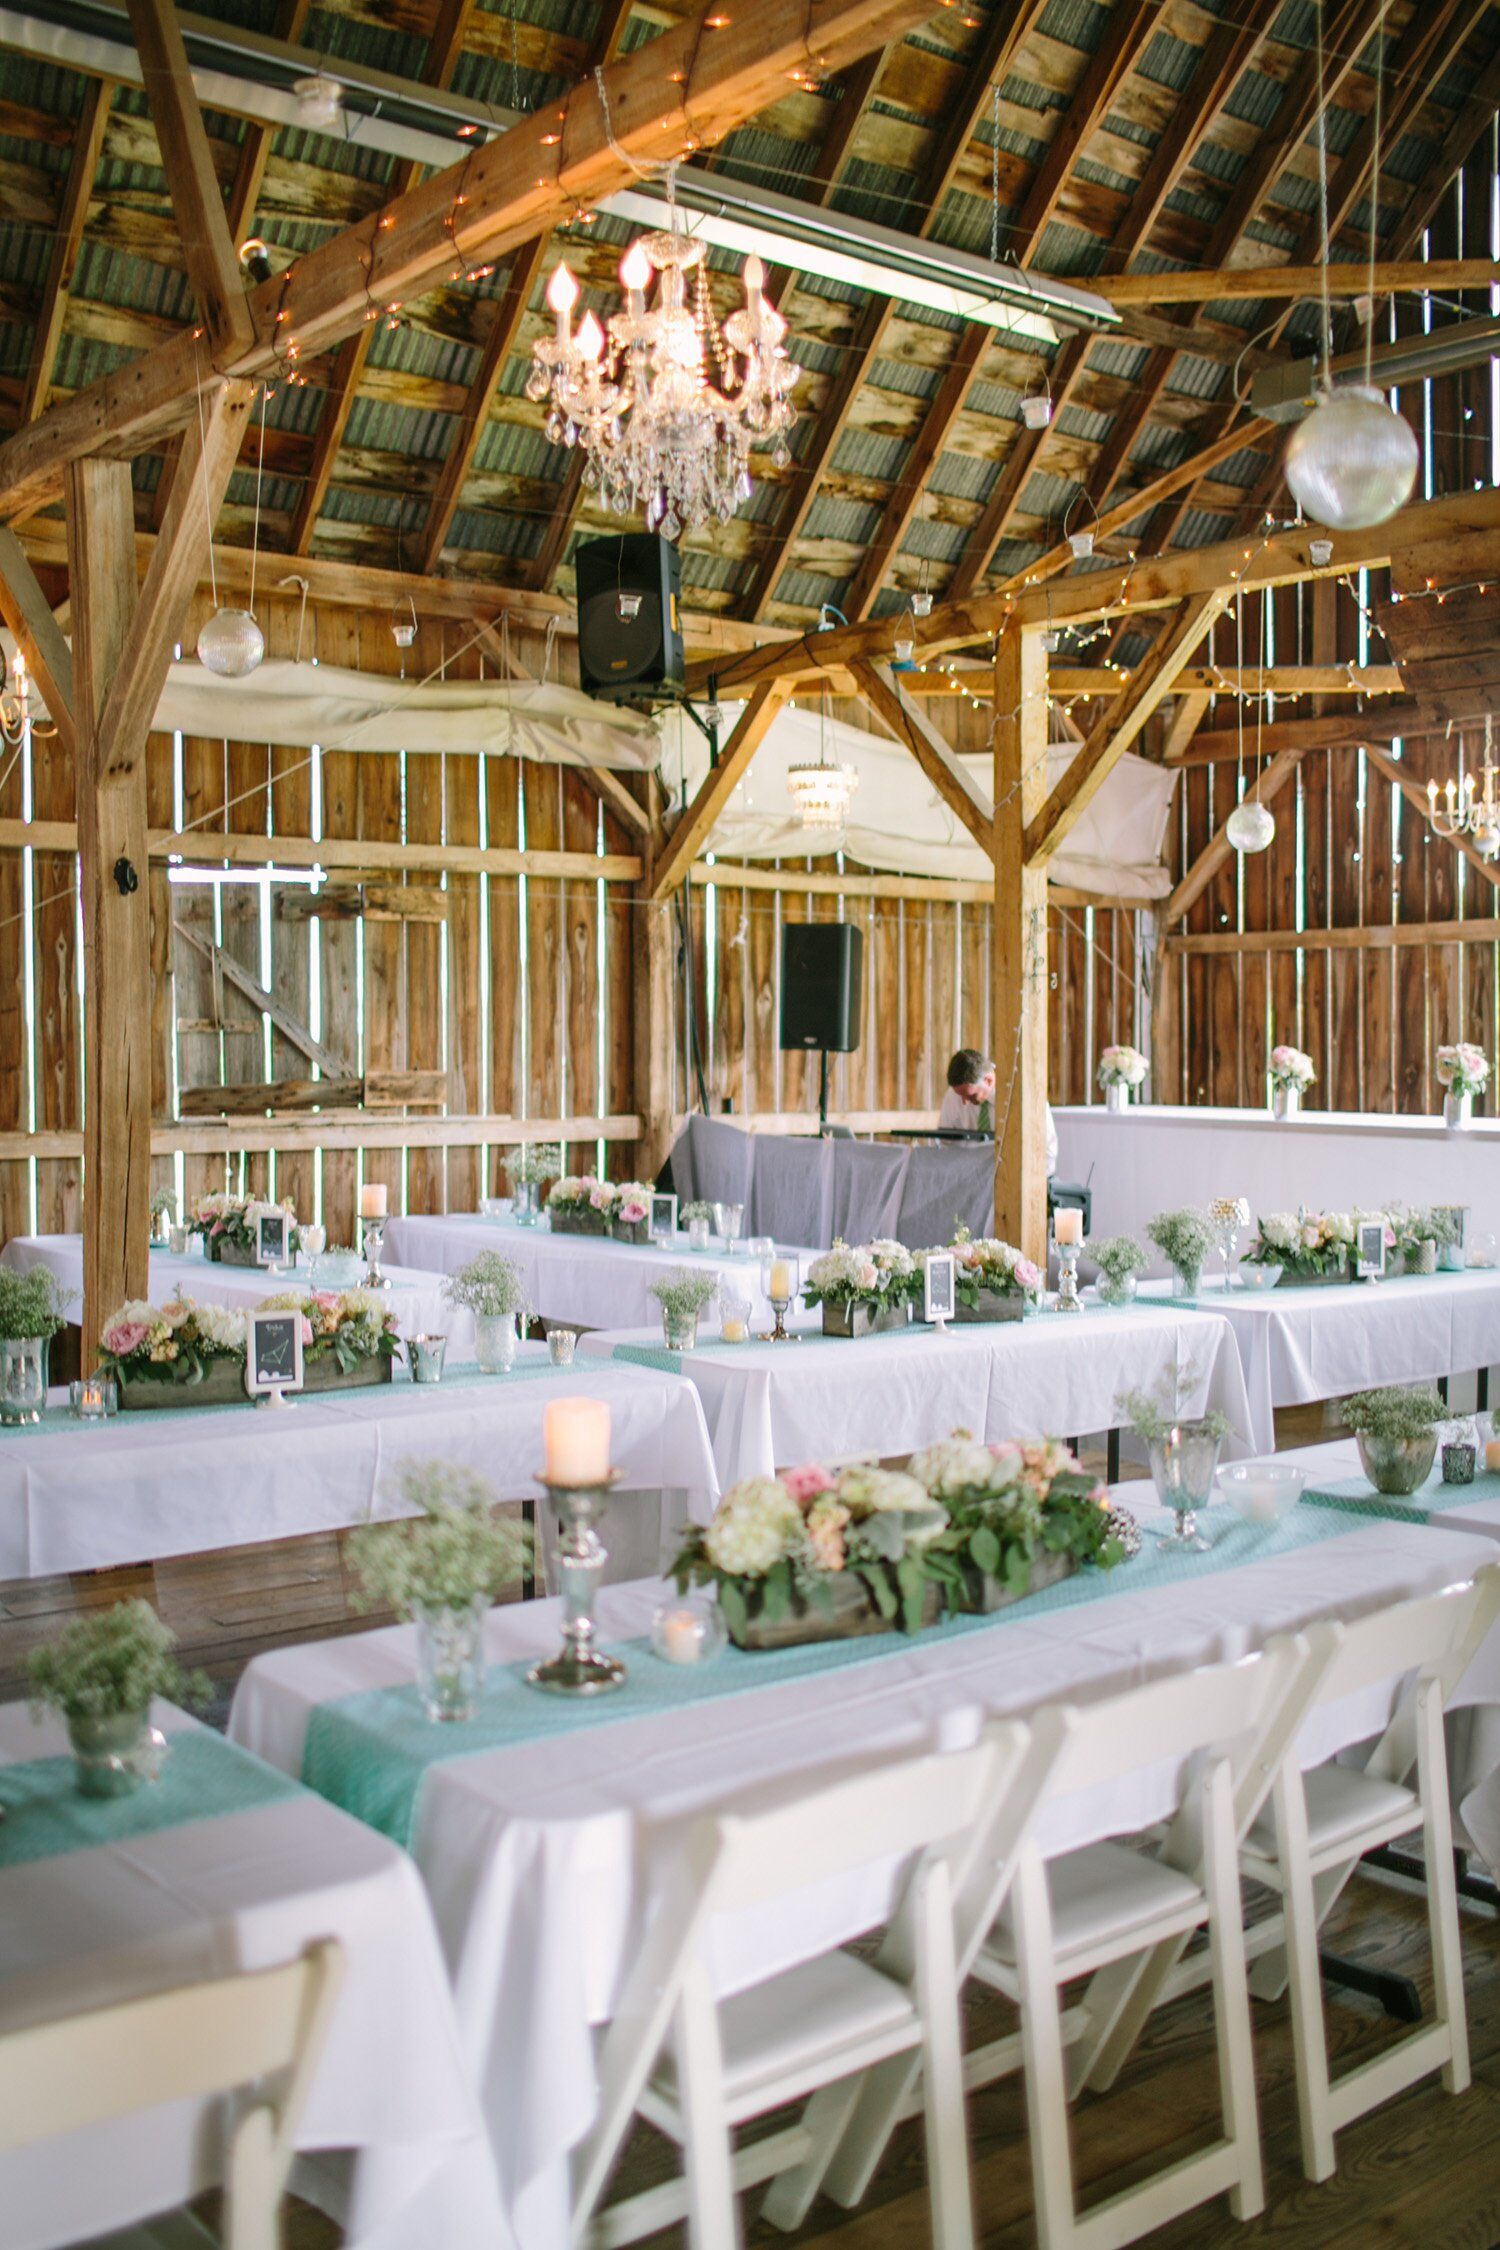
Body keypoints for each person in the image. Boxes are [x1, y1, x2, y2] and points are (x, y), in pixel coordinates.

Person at [938, 1048, 1057, 1175]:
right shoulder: (953, 1095)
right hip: (968, 1180)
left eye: (971, 1096)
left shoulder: (1026, 1095)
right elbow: (946, 1145)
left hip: (1015, 1180)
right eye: (960, 1095)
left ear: (988, 1081)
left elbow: (1047, 1151)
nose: (964, 1102)